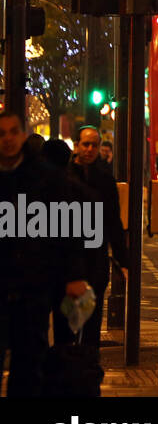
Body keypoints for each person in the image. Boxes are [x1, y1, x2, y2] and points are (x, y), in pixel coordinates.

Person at [0, 109, 91, 396]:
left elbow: (68, 231)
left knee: (28, 365)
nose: (8, 139)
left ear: (24, 134)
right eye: (1, 133)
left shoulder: (45, 178)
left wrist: (73, 276)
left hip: (32, 285)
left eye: (13, 132)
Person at [51, 126, 128, 352]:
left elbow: (113, 221)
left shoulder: (104, 179)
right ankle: (67, 362)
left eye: (94, 144)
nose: (90, 149)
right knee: (66, 319)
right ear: (76, 146)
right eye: (86, 144)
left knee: (92, 320)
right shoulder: (64, 177)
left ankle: (86, 364)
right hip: (68, 260)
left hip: (95, 258)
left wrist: (123, 258)